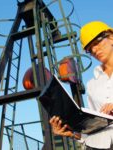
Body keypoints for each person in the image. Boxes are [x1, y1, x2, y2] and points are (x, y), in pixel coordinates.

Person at [49, 21, 113, 150]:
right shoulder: (92, 85)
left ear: (111, 37)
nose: (94, 50)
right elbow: (97, 129)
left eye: (97, 42)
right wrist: (73, 133)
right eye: (90, 49)